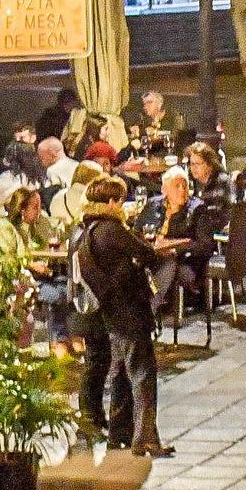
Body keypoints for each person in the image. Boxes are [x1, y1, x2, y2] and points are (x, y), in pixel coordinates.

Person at [72, 176, 173, 456]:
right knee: (142, 373)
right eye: (121, 199)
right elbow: (147, 254)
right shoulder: (111, 230)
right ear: (112, 202)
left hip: (111, 312)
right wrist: (140, 257)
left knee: (120, 372)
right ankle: (146, 438)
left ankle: (119, 433)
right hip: (128, 310)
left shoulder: (88, 230)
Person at [0, 186, 70, 340]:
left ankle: (61, 337)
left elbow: (54, 238)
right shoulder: (5, 226)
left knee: (68, 287)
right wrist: (31, 264)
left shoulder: (40, 223)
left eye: (40, 206)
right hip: (22, 278)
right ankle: (56, 337)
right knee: (57, 294)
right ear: (22, 209)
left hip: (46, 273)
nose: (39, 211)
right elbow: (7, 258)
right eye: (35, 207)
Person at [143, 168, 212, 316]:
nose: (182, 190)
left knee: (169, 263)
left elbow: (204, 244)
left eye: (185, 186)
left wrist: (176, 250)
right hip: (152, 257)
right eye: (176, 186)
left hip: (186, 264)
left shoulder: (197, 209)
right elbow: (138, 232)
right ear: (164, 190)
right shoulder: (152, 205)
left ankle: (148, 315)